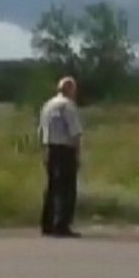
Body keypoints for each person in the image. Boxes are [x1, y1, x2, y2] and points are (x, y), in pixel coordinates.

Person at [38, 76, 83, 238]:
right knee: (66, 189)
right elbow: (75, 133)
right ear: (70, 89)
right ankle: (62, 225)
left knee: (52, 187)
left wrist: (44, 150)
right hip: (65, 149)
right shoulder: (68, 106)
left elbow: (41, 130)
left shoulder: (48, 105)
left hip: (50, 147)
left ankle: (47, 223)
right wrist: (77, 154)